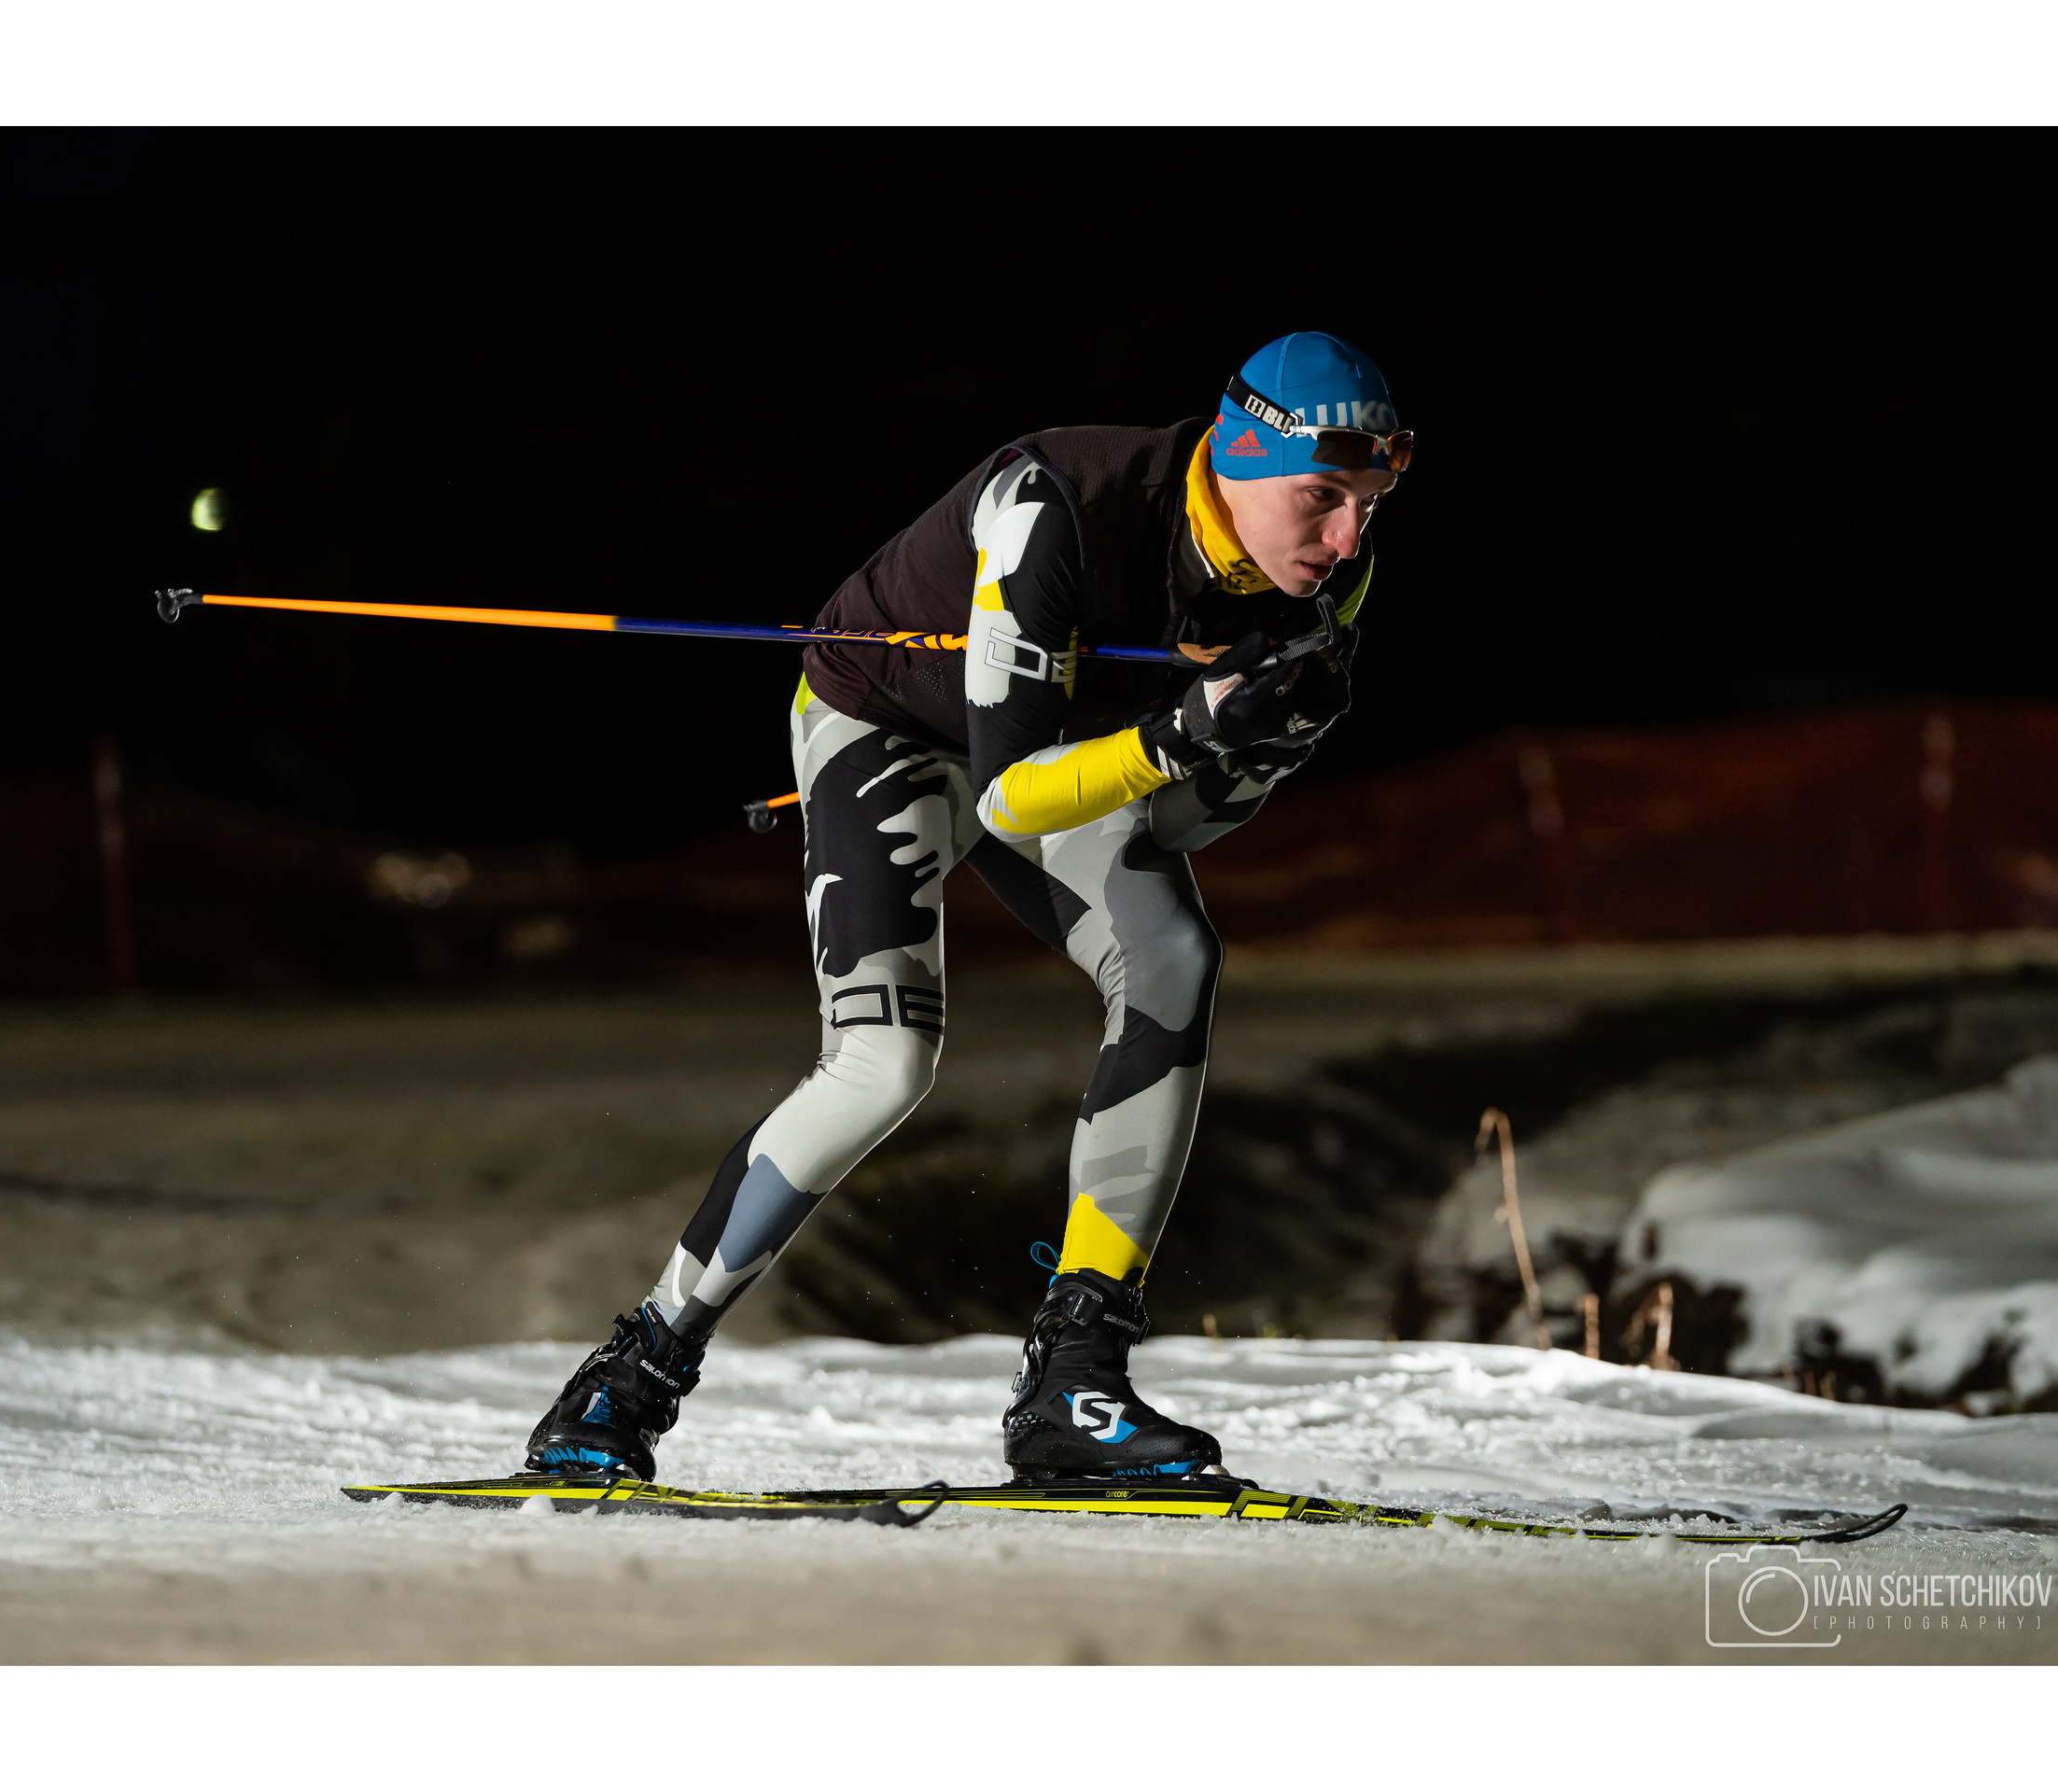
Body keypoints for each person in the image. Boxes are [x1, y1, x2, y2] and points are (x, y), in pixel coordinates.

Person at [527, 331, 1410, 1484]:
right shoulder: (1056, 504)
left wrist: (1252, 753)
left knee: (1174, 960)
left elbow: (1181, 823)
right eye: (1321, 497)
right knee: (884, 1062)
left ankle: (1074, 1383)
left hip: (1066, 754)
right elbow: (1009, 795)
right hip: (886, 722)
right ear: (1235, 455)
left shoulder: (1330, 577)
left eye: (1373, 501)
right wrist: (1187, 733)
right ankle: (631, 1374)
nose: (1346, 536)